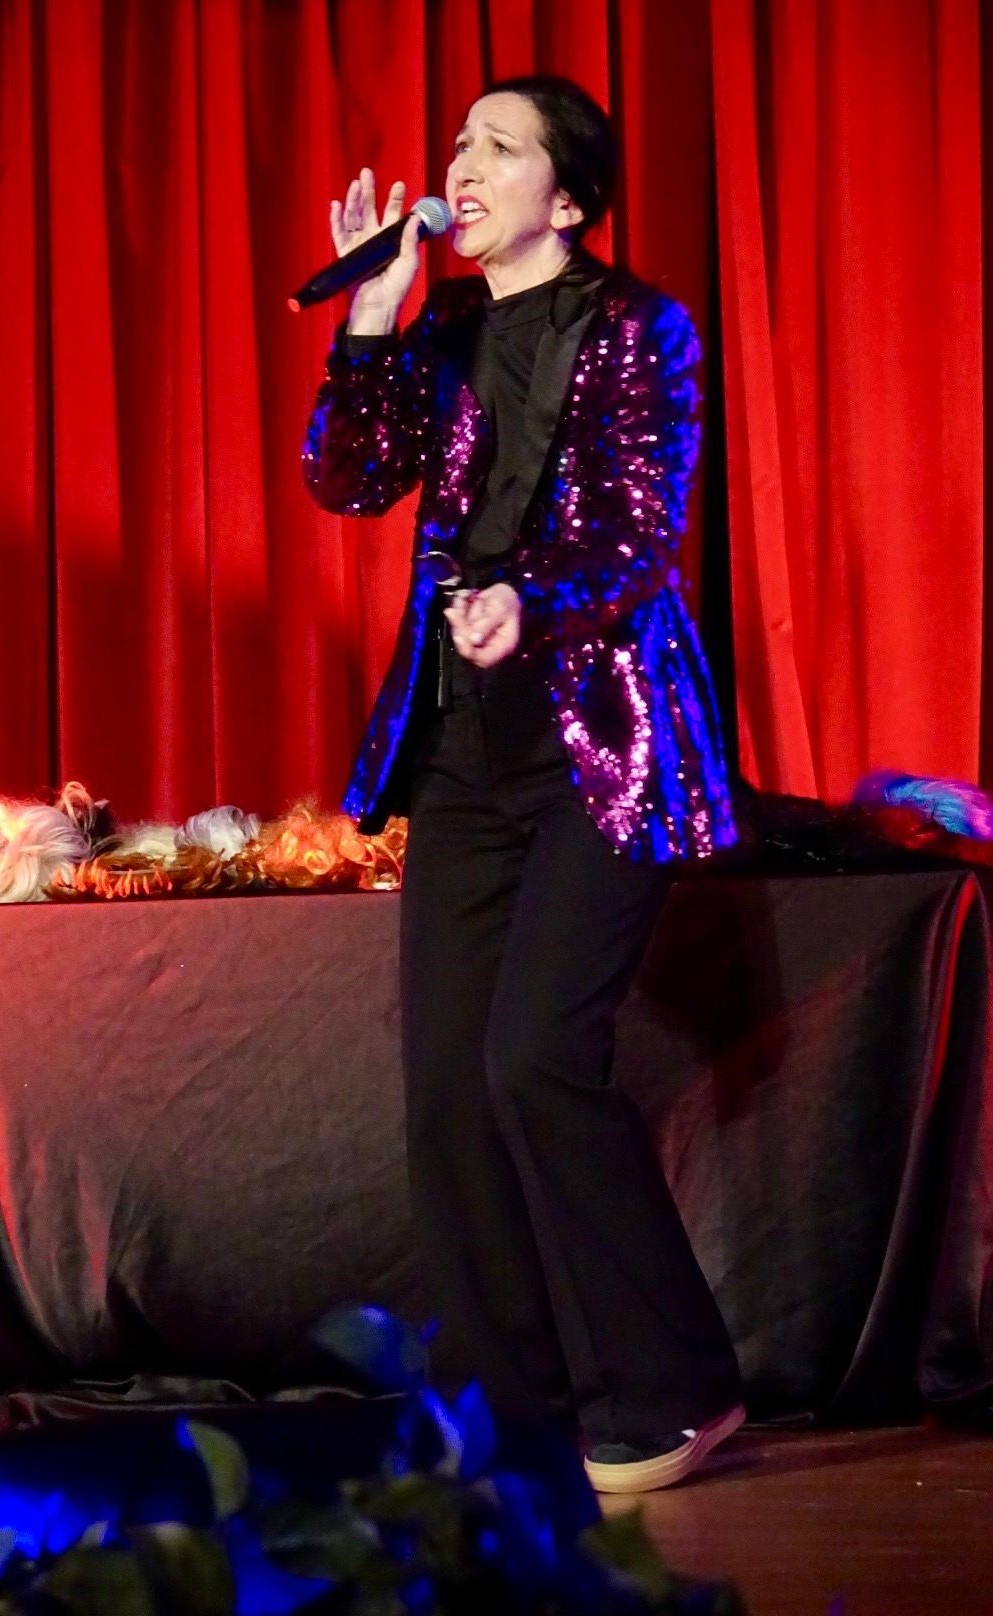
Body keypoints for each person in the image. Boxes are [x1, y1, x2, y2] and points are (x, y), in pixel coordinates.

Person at [303, 75, 744, 1493]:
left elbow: (636, 529)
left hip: (601, 744)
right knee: (447, 1092)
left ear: (566, 196)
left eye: (498, 147)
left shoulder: (641, 329)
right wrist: (373, 318)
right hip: (461, 749)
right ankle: (511, 1412)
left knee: (536, 1059)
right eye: (459, 144)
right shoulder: (438, 329)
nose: (463, 165)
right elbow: (347, 480)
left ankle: (674, 1389)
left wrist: (523, 602)